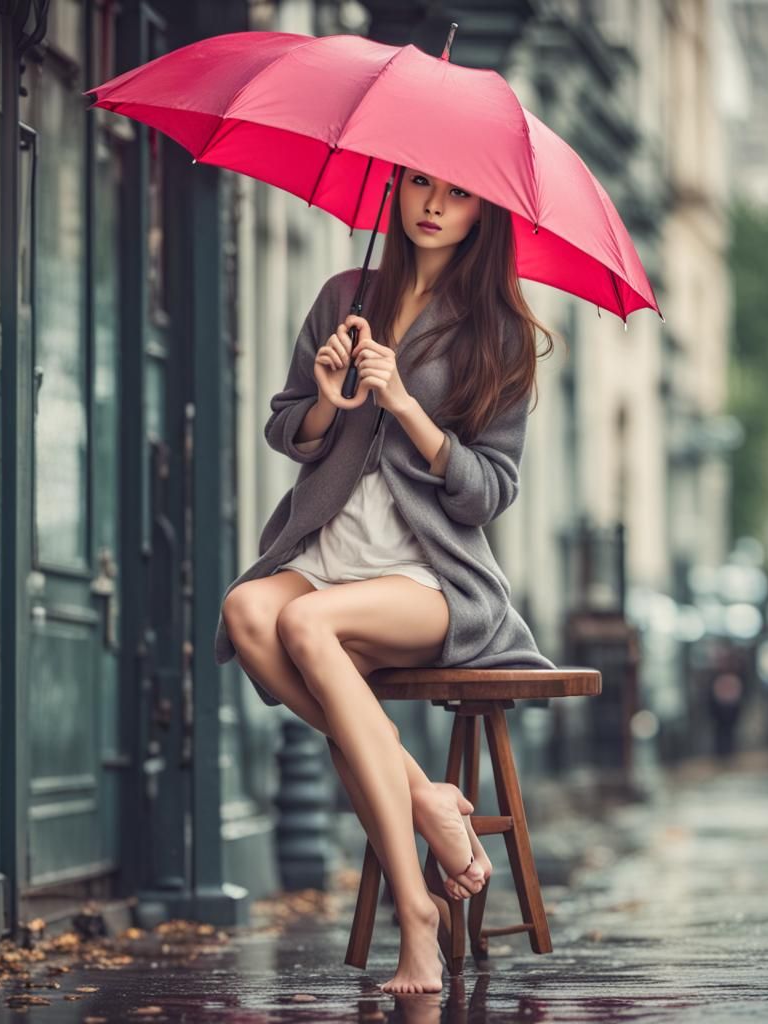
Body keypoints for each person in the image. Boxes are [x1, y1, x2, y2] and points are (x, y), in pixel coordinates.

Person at [216, 165, 557, 993]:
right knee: (247, 610)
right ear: (394, 188)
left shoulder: (500, 331)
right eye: (417, 183)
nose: (434, 204)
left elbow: (491, 492)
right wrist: (330, 401)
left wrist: (405, 405)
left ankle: (417, 918)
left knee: (309, 629)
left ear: (486, 210)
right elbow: (286, 423)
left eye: (460, 191)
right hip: (327, 551)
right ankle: (426, 797)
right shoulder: (345, 296)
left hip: (430, 574)